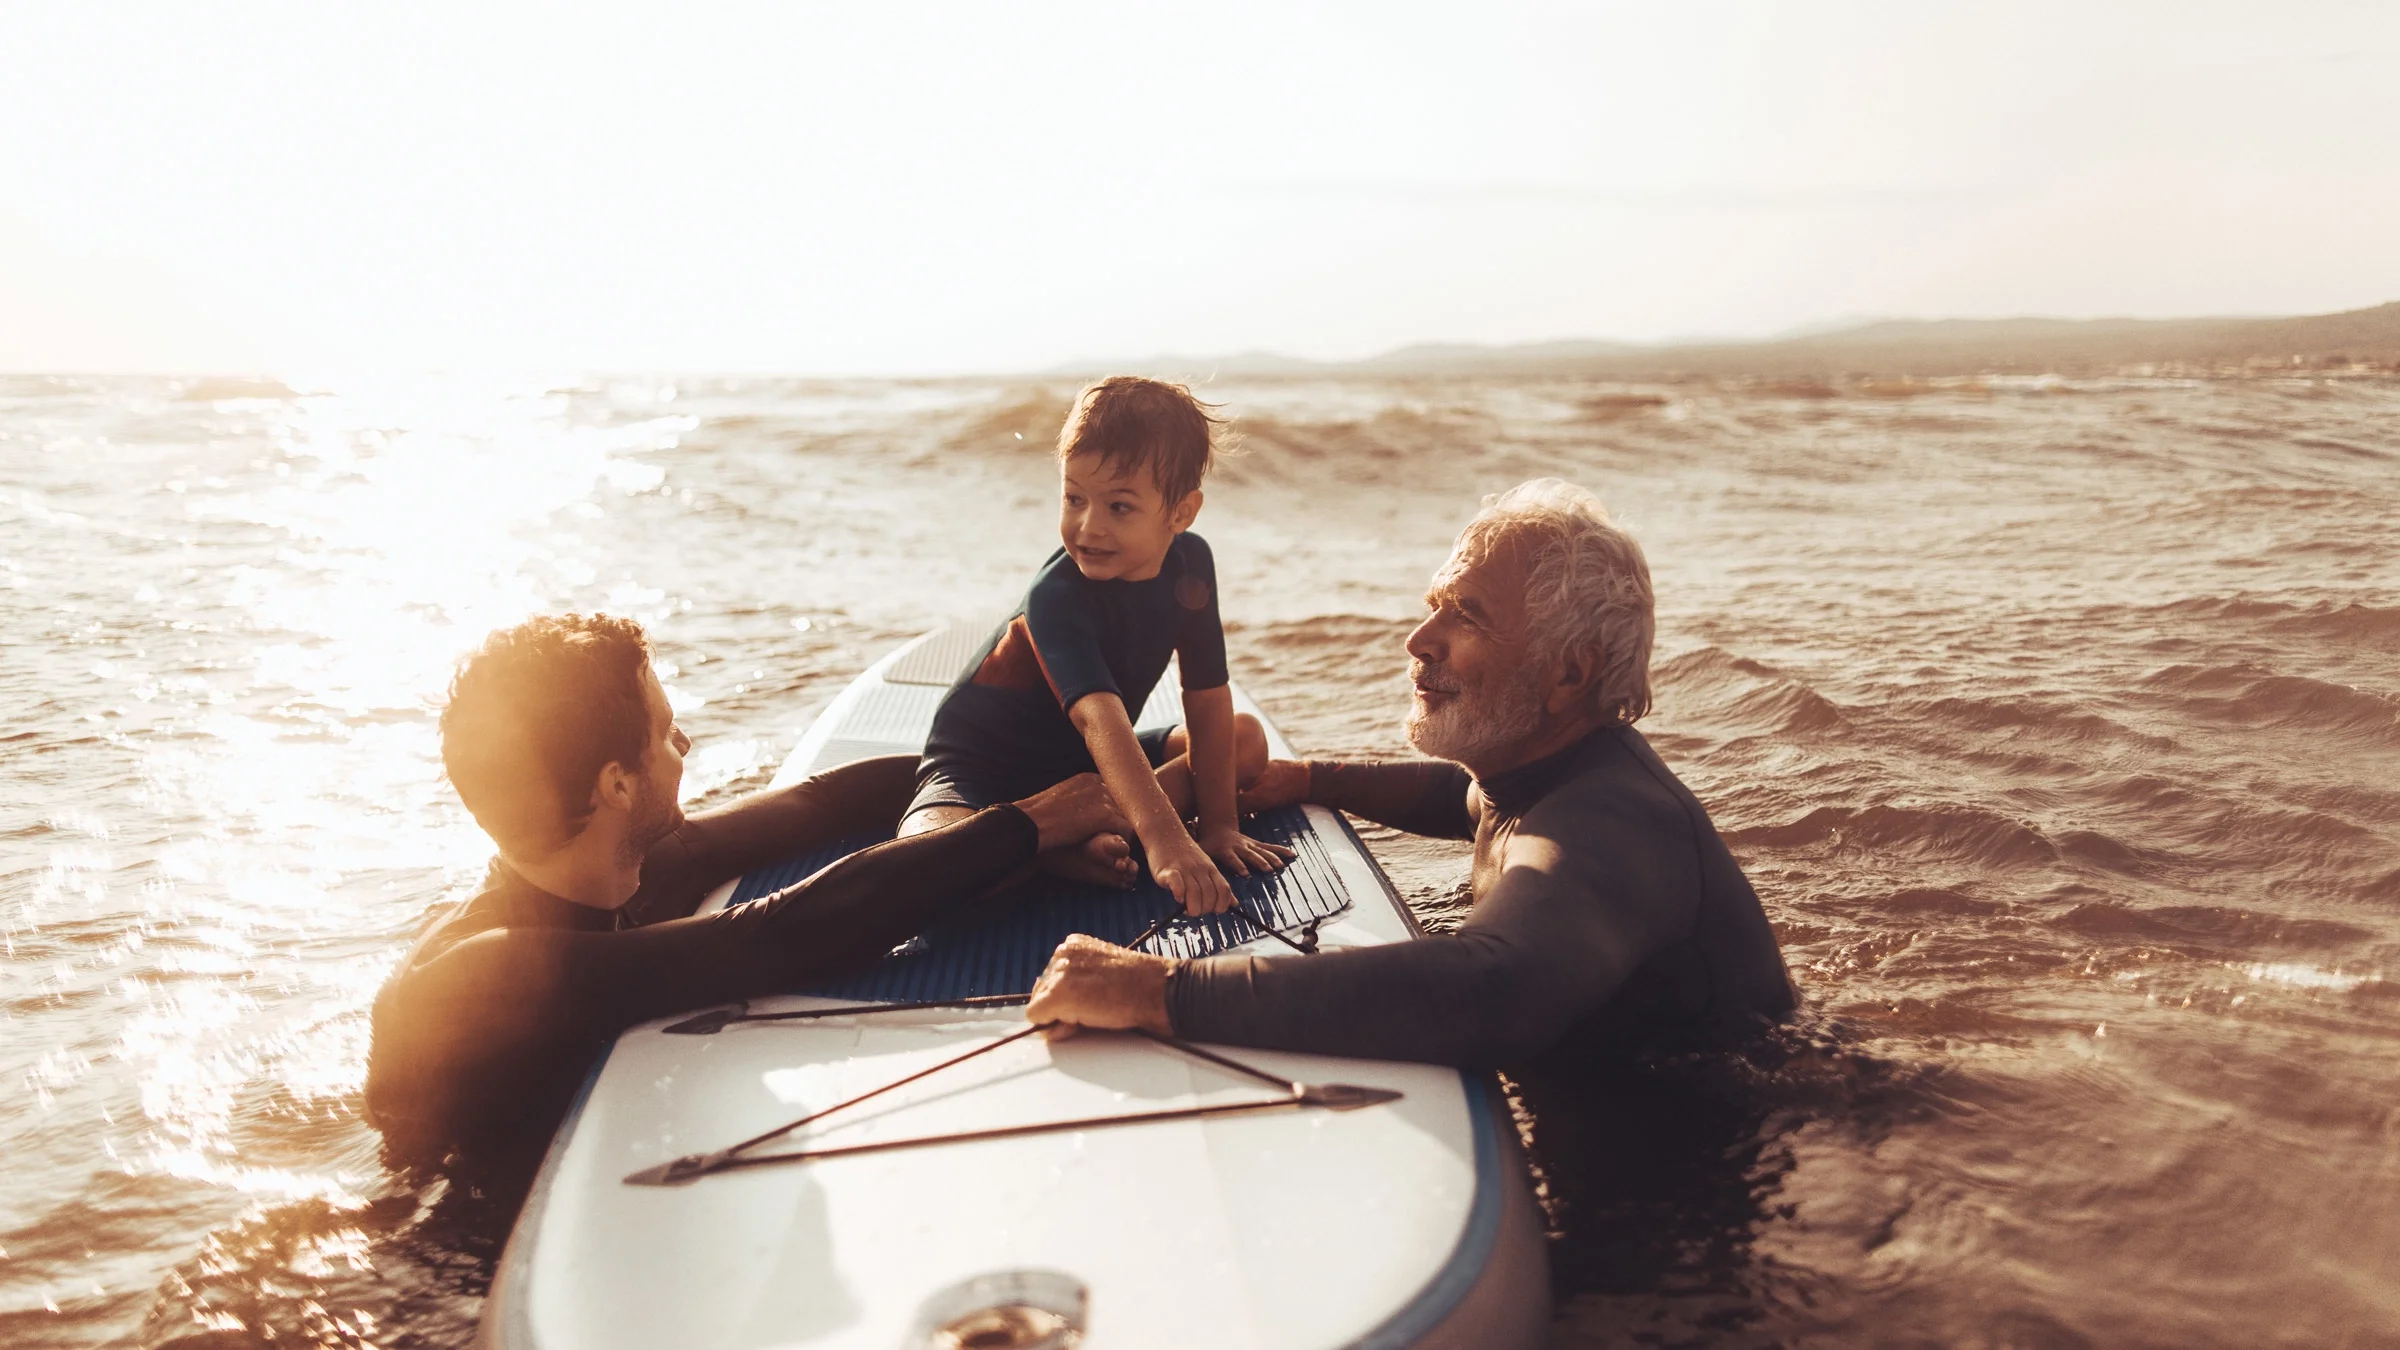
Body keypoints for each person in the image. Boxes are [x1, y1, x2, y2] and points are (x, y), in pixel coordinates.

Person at [1026, 479, 1797, 1070]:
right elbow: (1464, 802)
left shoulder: (1611, 824)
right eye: (1435, 605)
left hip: (1709, 1179)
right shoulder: (1547, 779)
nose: (1418, 639)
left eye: (1467, 616)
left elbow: (1492, 989)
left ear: (1569, 673)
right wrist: (1312, 780)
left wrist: (1158, 991)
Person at [365, 613, 1128, 1156]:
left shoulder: (615, 873)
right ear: (617, 785)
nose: (683, 744)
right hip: (452, 1265)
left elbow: (821, 803)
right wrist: (1029, 824)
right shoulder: (477, 974)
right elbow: (782, 932)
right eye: (664, 732)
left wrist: (1067, 787)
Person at [902, 376, 1289, 916]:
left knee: (1243, 739)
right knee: (925, 861)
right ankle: (1054, 850)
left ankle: (1073, 837)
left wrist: (1220, 826)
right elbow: (1100, 722)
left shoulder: (1192, 565)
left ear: (1181, 512)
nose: (1088, 526)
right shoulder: (1056, 597)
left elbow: (1206, 697)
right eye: (1074, 498)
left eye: (1120, 507)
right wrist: (1167, 839)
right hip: (983, 777)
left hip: (1091, 773)